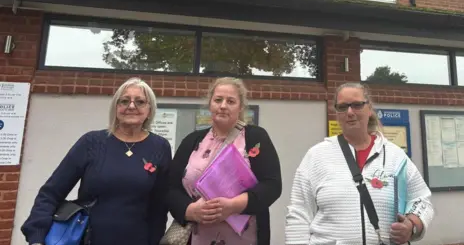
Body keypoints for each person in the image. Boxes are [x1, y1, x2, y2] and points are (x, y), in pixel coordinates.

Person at [21, 77, 172, 245]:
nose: (131, 106)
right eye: (124, 101)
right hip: (89, 239)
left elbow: (159, 207)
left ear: (150, 110)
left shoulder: (160, 147)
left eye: (140, 102)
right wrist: (37, 236)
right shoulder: (91, 142)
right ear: (115, 108)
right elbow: (51, 193)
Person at [285, 82, 434, 245]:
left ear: (369, 109)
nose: (349, 112)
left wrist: (411, 226)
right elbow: (299, 213)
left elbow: (422, 201)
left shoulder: (395, 156)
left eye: (357, 105)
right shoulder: (316, 156)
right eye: (343, 107)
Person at [166, 77, 282, 245]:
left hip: (245, 238)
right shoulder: (191, 140)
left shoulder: (256, 138)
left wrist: (233, 206)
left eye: (231, 101)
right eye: (218, 100)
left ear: (241, 107)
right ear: (210, 104)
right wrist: (190, 211)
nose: (223, 106)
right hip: (196, 237)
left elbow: (272, 185)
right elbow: (171, 188)